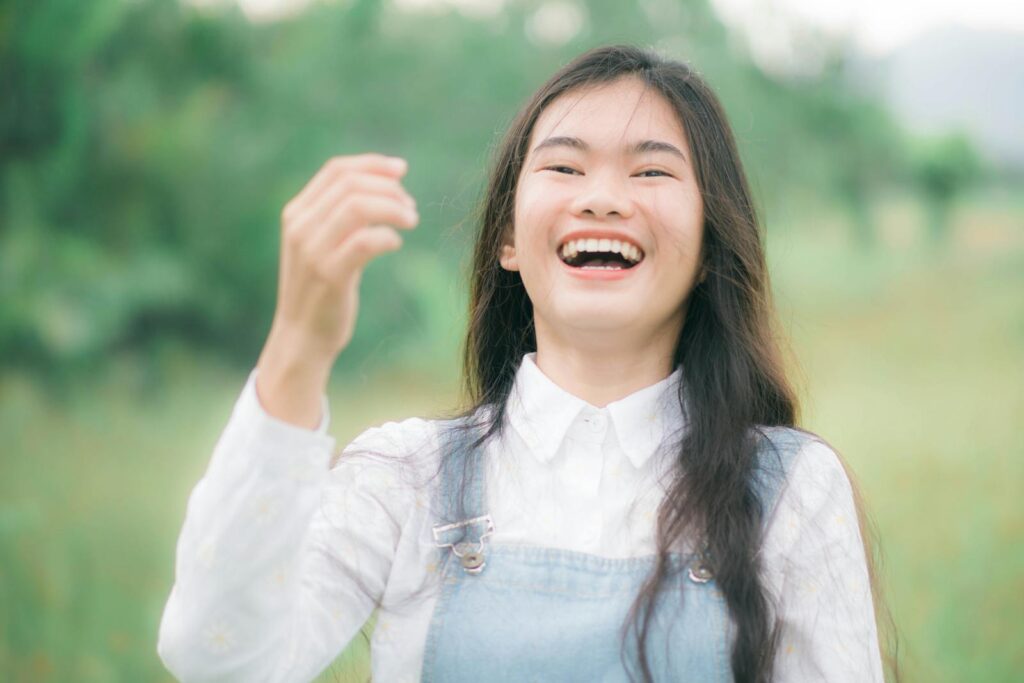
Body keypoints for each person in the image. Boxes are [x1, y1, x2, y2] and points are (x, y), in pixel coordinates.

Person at [157, 45, 890, 682]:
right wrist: (297, 348)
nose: (603, 199)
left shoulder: (790, 489)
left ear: (707, 249)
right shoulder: (404, 478)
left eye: (651, 173)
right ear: (508, 239)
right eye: (565, 166)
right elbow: (218, 659)